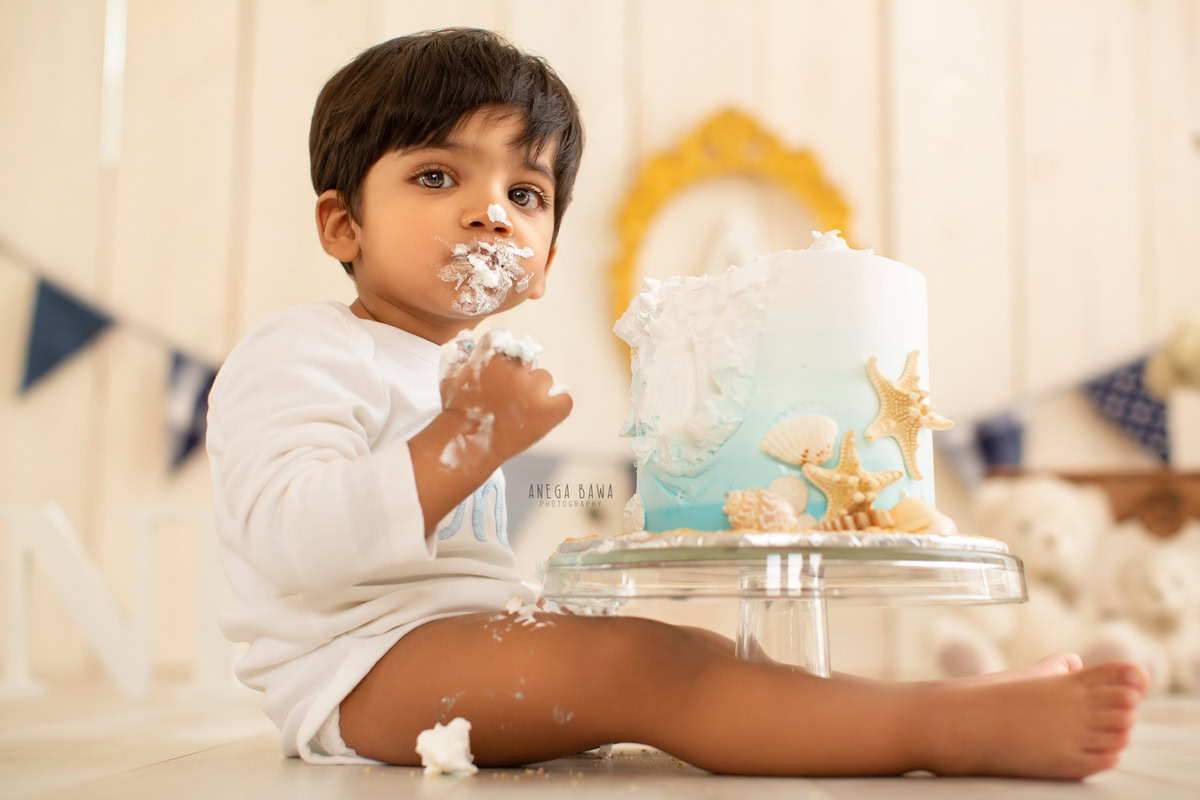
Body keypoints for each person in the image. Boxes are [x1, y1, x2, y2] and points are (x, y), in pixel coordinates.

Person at [206, 28, 1147, 780]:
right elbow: (294, 545)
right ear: (342, 223)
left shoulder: (473, 368)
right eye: (439, 176)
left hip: (447, 642)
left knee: (677, 655)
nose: (492, 210)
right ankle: (936, 729)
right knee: (645, 670)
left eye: (526, 193)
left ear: (545, 267)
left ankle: (912, 708)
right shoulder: (304, 350)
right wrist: (471, 434)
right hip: (353, 674)